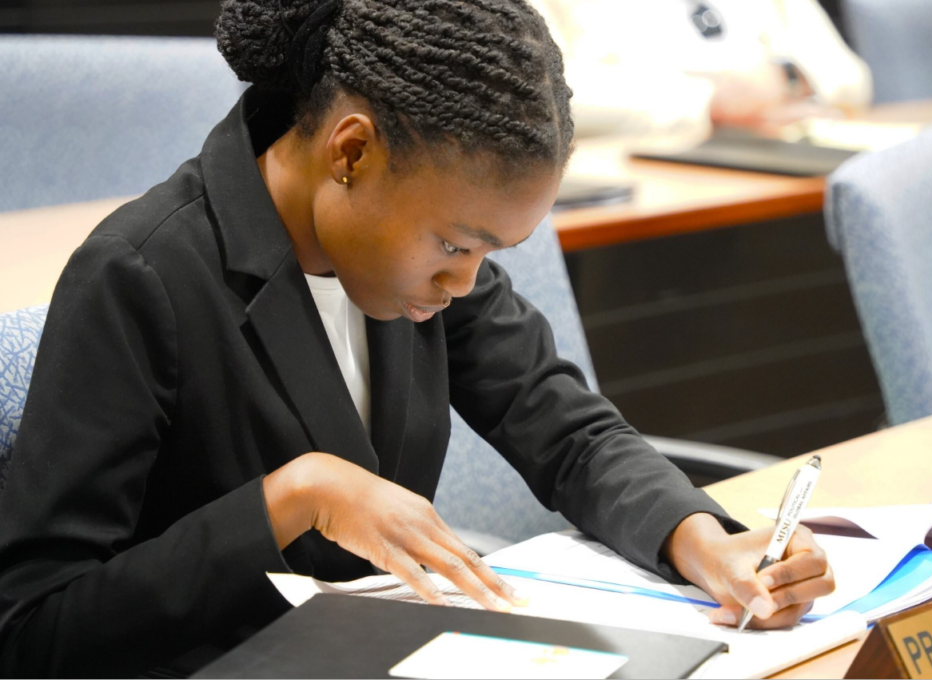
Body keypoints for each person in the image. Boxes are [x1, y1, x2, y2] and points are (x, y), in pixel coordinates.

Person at [0, 0, 835, 675]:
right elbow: (36, 625)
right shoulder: (140, 275)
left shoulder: (418, 256)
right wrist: (291, 499)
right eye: (456, 245)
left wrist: (699, 542)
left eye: (489, 254)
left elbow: (565, 429)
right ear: (352, 152)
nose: (467, 282)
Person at [530, 0, 874, 137]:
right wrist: (710, 103)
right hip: (640, 191)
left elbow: (851, 78)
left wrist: (784, 78)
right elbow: (538, 95)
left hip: (773, 167)